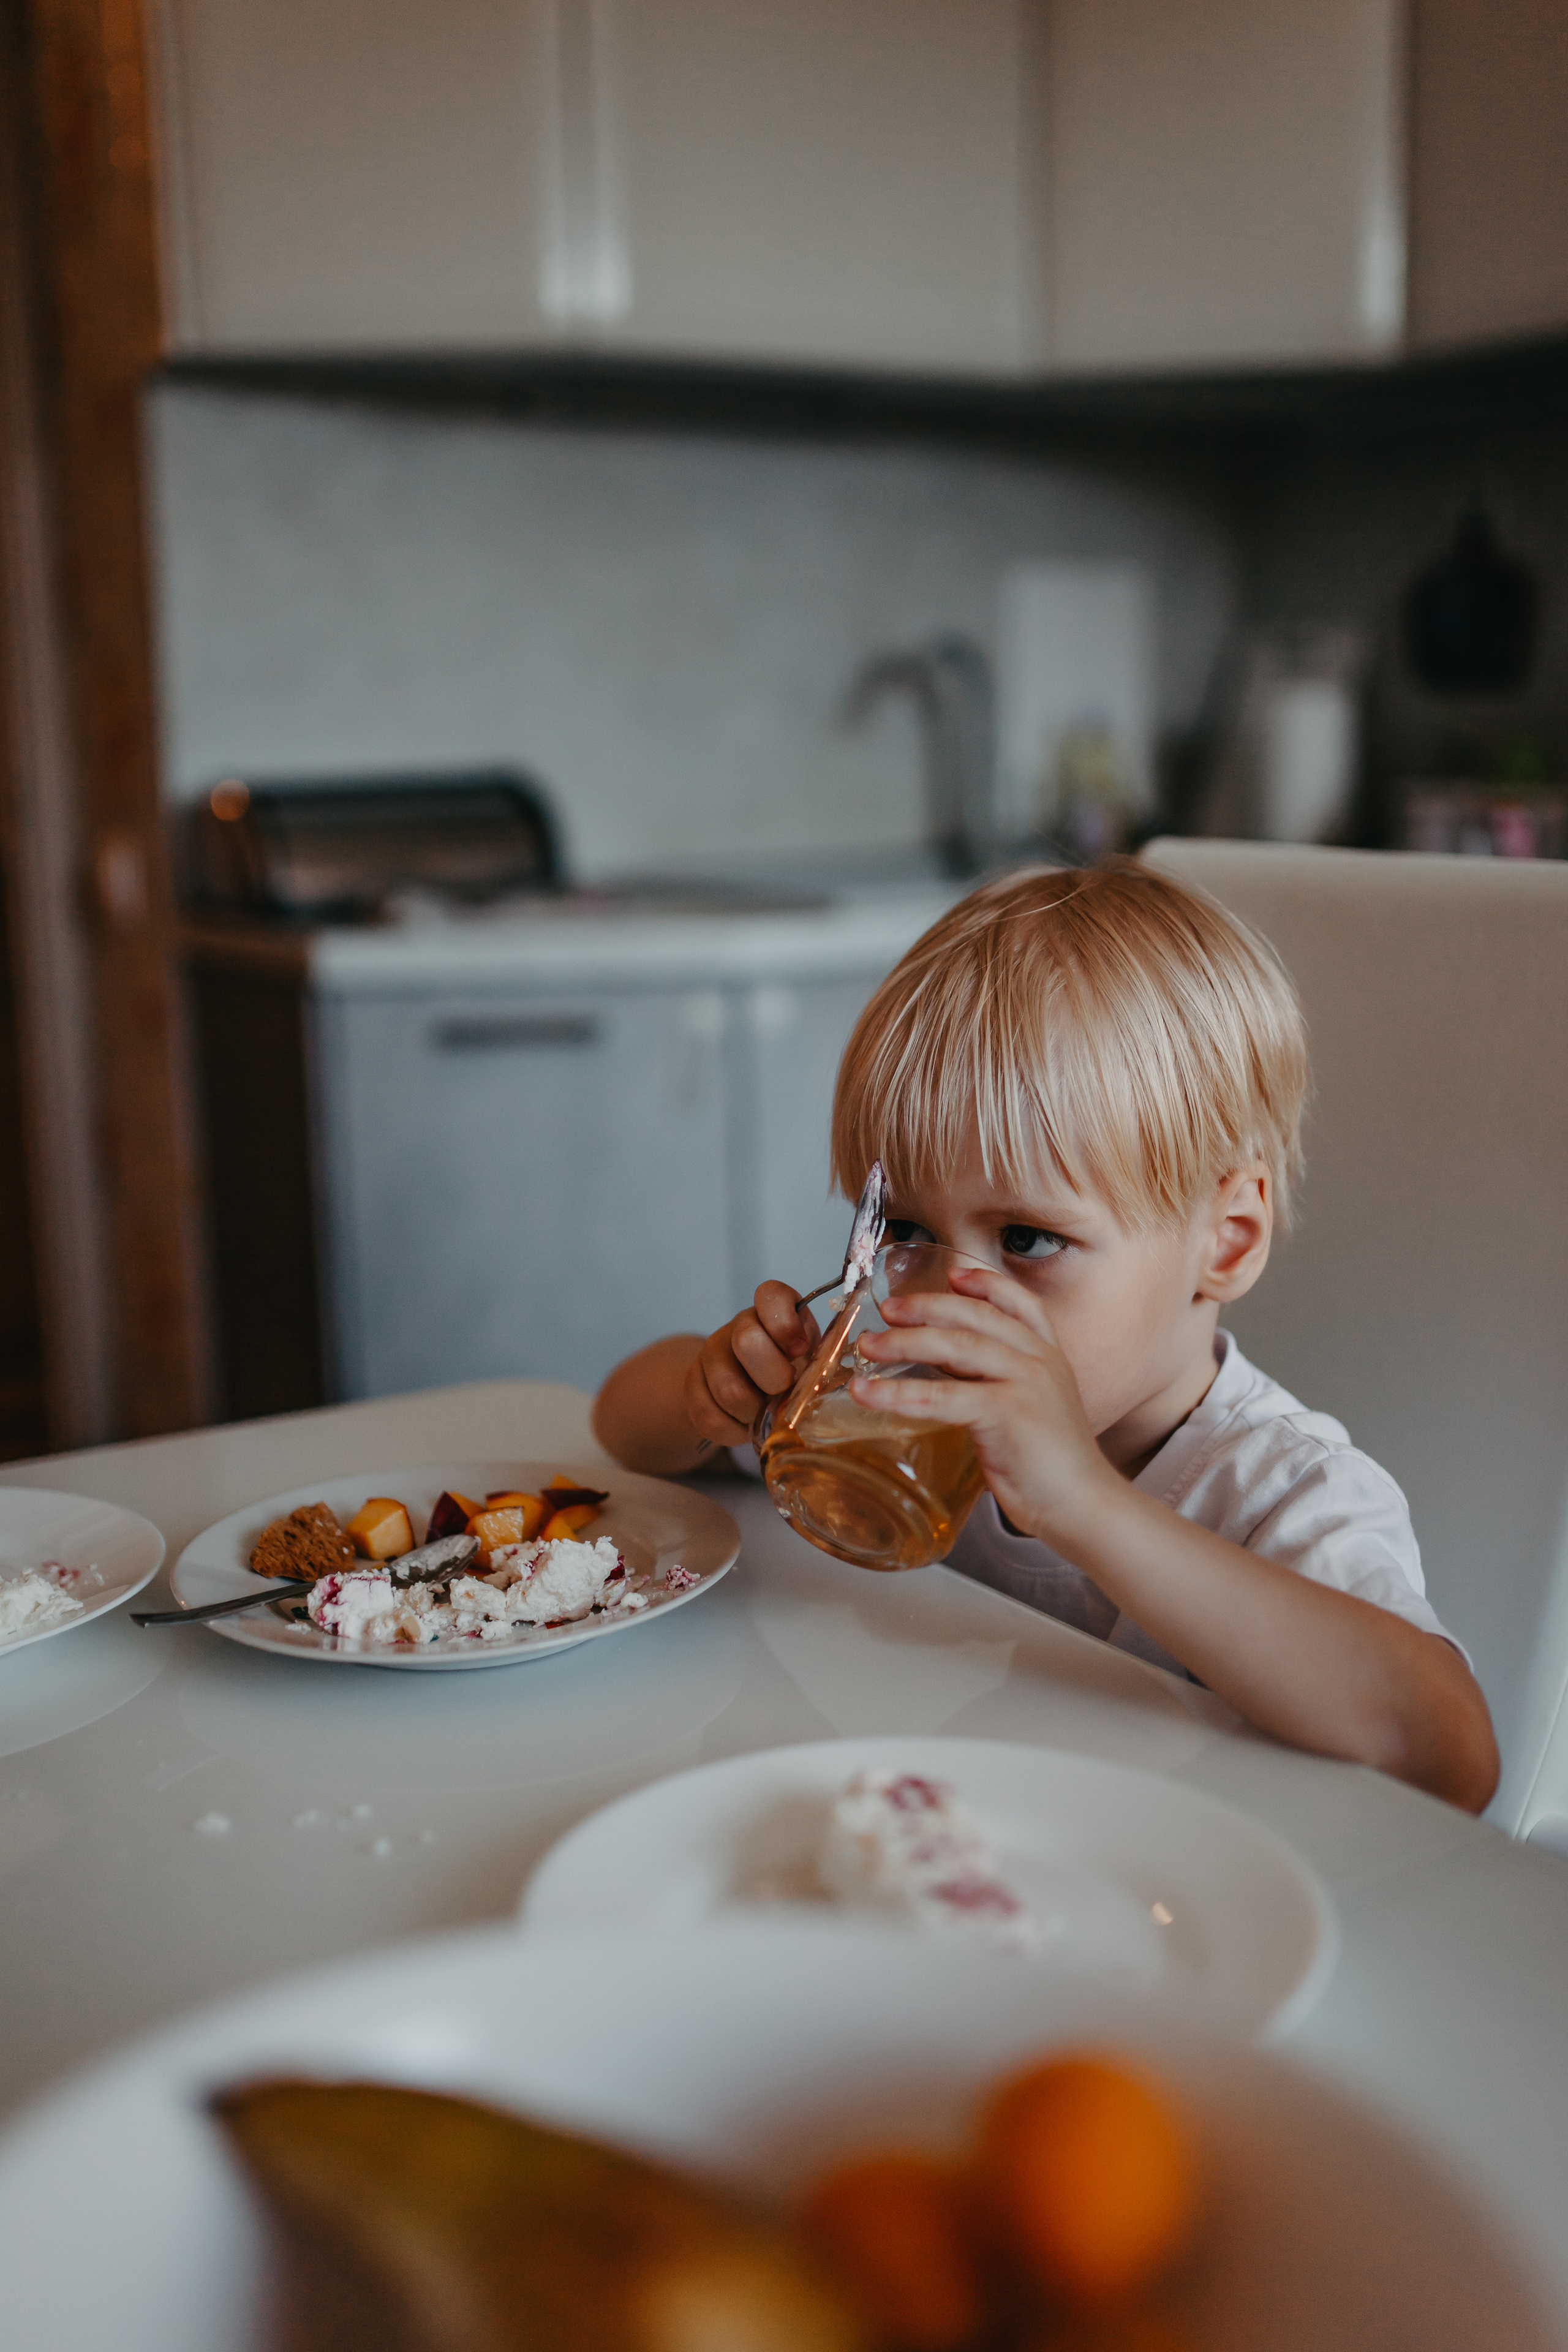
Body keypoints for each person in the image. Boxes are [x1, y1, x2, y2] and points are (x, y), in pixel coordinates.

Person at [594, 864, 1499, 1812]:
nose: (951, 1293)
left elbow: (1450, 1758)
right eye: (906, 1231)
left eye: (1026, 1240)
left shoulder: (1278, 1487)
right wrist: (713, 1396)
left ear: (1225, 1241)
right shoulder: (905, 1414)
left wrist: (1083, 1501)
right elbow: (622, 1426)